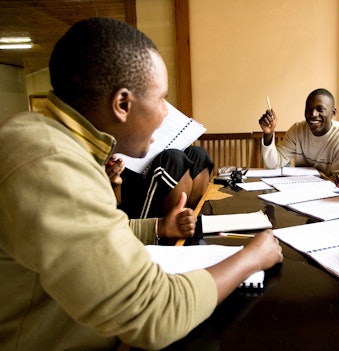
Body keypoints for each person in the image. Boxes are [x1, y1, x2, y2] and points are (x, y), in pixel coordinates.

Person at [0, 17, 282, 350]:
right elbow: (155, 315)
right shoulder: (50, 163)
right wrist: (251, 257)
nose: (166, 114)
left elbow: (96, 234)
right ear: (122, 104)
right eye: (162, 99)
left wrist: (159, 227)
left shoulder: (54, 141)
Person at [258, 88, 339, 177]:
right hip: (299, 188)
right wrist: (268, 133)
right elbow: (274, 164)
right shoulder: (297, 130)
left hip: (328, 191)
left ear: (333, 113)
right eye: (309, 109)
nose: (313, 114)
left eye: (320, 109)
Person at [108, 145, 214, 219]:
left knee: (198, 154)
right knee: (174, 160)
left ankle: (195, 225)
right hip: (130, 207)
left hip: (143, 177)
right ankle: (173, 237)